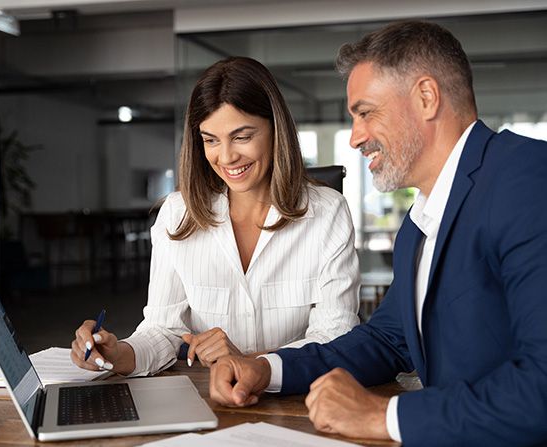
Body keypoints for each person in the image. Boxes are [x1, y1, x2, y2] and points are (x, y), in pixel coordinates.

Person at [208, 21, 547, 447]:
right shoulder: (419, 223)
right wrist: (266, 369)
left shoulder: (529, 178)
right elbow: (388, 341)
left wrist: (386, 416)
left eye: (366, 112)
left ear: (426, 97)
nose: (355, 138)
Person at [70, 57, 360, 377]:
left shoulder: (328, 212)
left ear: (276, 130)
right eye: (210, 140)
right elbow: (164, 330)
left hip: (300, 398)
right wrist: (118, 353)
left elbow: (335, 338)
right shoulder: (177, 215)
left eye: (242, 136)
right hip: (215, 399)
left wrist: (252, 361)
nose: (226, 157)